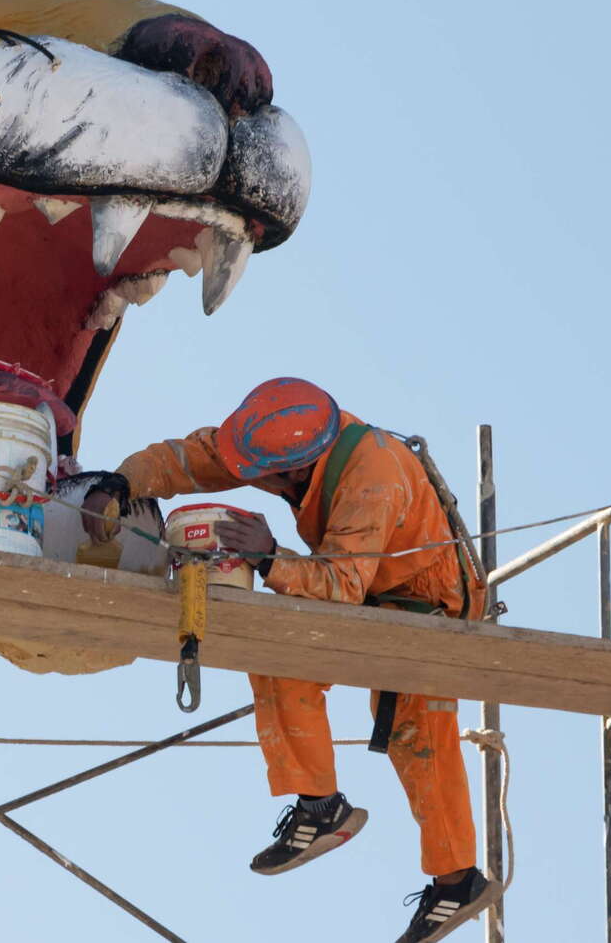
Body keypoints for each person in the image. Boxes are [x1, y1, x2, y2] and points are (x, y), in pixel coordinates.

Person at [82, 377, 502, 943]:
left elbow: (341, 583)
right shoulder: (281, 437)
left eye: (259, 476)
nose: (246, 478)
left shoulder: (371, 478)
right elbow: (189, 458)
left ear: (295, 471)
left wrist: (269, 556)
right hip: (364, 589)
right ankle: (321, 806)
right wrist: (121, 482)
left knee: (416, 728)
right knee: (277, 653)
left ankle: (457, 883)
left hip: (429, 605)